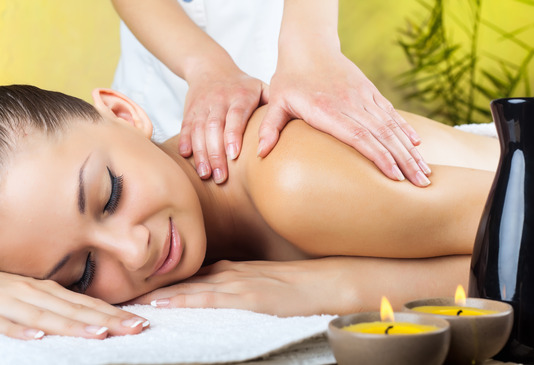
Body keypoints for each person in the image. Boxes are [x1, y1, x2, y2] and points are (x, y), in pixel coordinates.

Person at [0, 85, 499, 341]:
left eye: (110, 195)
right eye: (81, 273)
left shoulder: (289, 179)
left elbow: (532, 238)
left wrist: (335, 288)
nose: (133, 252)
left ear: (125, 116)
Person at [111, 0, 433, 187]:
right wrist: (205, 66)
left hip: (296, 101)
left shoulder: (293, 176)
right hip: (159, 95)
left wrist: (310, 47)